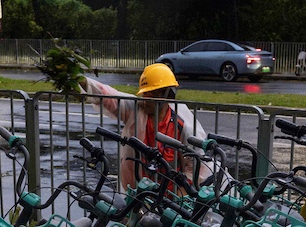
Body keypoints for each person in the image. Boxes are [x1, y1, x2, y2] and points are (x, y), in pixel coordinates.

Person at [79, 64, 211, 192]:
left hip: (170, 198)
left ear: (165, 95)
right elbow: (109, 96)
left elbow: (196, 165)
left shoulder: (182, 125)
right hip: (138, 194)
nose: (145, 99)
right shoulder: (136, 110)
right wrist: (82, 83)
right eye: (144, 94)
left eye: (150, 95)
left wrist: (181, 193)